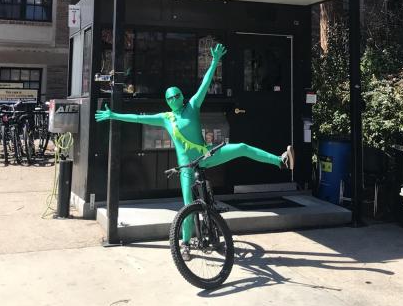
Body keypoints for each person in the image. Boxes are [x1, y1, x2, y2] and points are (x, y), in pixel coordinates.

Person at [95, 43, 294, 259]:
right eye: (170, 98)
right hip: (186, 167)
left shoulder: (192, 106)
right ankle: (185, 243)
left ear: (182, 96)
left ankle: (280, 161)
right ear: (167, 101)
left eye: (177, 96)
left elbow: (206, 83)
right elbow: (137, 118)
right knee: (188, 206)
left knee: (242, 148)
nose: (174, 100)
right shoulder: (165, 118)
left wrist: (216, 60)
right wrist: (113, 115)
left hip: (206, 155)